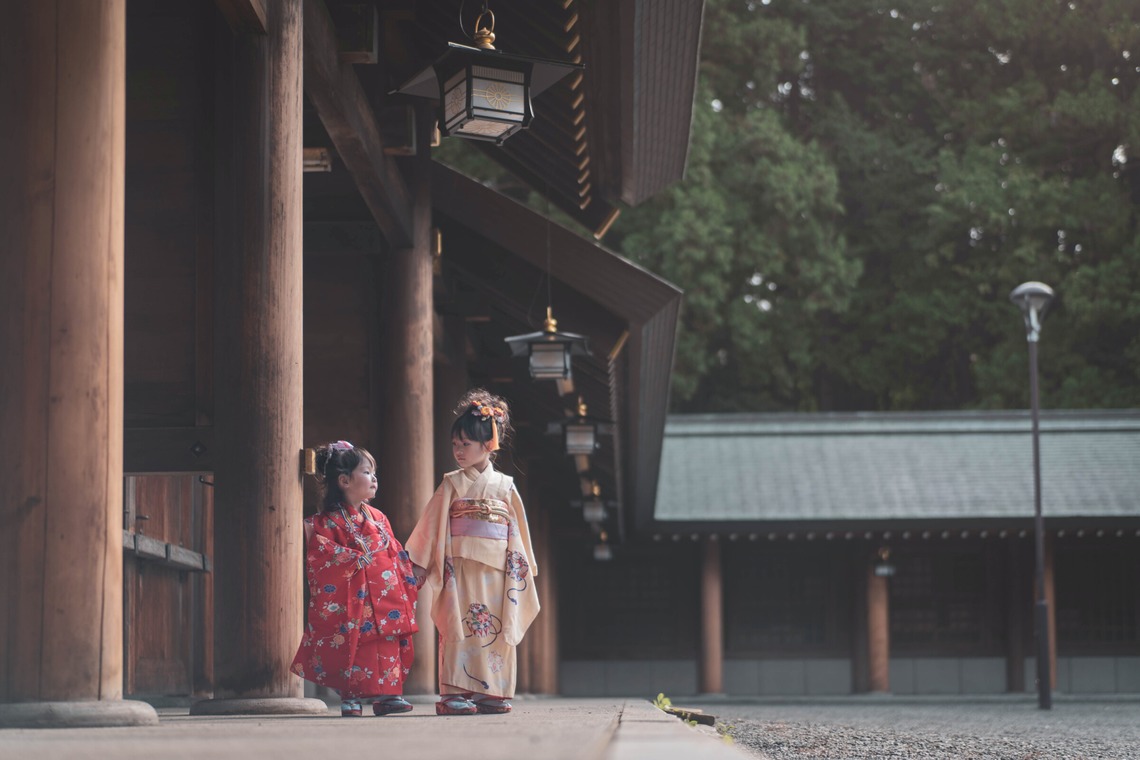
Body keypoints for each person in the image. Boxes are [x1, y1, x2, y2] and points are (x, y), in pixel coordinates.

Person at [406, 390, 540, 716]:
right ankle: (454, 692)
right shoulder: (451, 483)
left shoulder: (505, 486)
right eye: (455, 444)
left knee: (496, 628)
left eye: (465, 444)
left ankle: (492, 692)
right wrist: (419, 565)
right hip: (460, 568)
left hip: (496, 570)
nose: (458, 451)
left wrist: (520, 569)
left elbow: (516, 532)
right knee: (459, 627)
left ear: (488, 445)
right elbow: (432, 523)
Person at [290, 440, 419, 717]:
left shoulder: (378, 517)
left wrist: (406, 571)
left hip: (386, 595)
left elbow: (394, 549)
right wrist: (350, 559)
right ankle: (352, 696)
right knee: (354, 644)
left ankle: (389, 695)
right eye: (367, 472)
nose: (374, 478)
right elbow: (322, 554)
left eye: (375, 473)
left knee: (387, 642)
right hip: (355, 597)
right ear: (345, 480)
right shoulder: (327, 522)